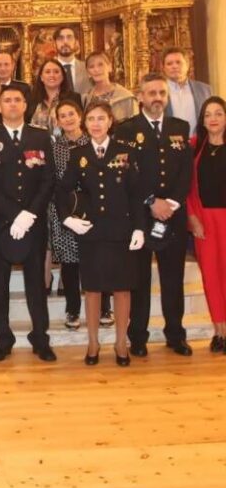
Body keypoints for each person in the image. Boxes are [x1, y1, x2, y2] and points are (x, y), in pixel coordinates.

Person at [58, 101, 145, 366]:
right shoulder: (78, 154)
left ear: (110, 122)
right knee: (93, 288)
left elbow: (135, 193)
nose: (96, 124)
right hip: (91, 231)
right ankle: (93, 342)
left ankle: (120, 342)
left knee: (121, 288)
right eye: (91, 119)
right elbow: (61, 190)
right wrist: (67, 219)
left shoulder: (126, 152)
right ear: (85, 124)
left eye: (101, 119)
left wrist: (140, 226)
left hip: (120, 230)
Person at [0, 84, 57, 362]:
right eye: (6, 100)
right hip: (0, 223)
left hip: (34, 223)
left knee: (37, 284)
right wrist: (14, 214)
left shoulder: (41, 136)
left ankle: (40, 337)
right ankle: (2, 338)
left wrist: (30, 214)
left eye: (17, 100)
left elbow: (49, 180)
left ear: (26, 105)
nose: (12, 104)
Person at [115, 73, 193, 357]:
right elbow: (124, 172)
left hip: (172, 215)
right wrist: (151, 201)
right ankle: (138, 337)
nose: (157, 97)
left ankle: (175, 334)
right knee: (139, 279)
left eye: (161, 92)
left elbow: (186, 171)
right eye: (151, 93)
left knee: (173, 277)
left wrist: (170, 202)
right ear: (140, 97)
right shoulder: (125, 130)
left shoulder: (180, 127)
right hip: (140, 217)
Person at [186, 97, 226, 351]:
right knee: (211, 277)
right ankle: (219, 331)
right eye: (208, 114)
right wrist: (192, 218)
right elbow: (187, 188)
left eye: (219, 113)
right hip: (204, 221)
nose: (213, 118)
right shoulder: (194, 147)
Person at [49, 99, 90, 330]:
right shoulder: (55, 147)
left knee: (95, 261)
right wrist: (64, 213)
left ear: (80, 115)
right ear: (57, 121)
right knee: (70, 264)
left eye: (71, 114)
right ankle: (72, 310)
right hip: (64, 211)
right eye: (62, 116)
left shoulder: (92, 141)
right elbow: (53, 182)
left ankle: (104, 306)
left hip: (93, 210)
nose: (68, 119)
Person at [163, 47, 212, 136]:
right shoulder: (158, 92)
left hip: (199, 144)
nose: (174, 66)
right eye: (169, 64)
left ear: (187, 65)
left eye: (178, 62)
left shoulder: (204, 90)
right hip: (169, 145)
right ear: (164, 68)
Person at [29, 59, 80, 135]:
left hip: (66, 145)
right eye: (47, 72)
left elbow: (79, 124)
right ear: (41, 77)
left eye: (56, 72)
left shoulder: (73, 98)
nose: (52, 75)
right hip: (37, 145)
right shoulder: (31, 98)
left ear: (62, 77)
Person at [83, 50, 138, 121]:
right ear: (88, 73)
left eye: (100, 65)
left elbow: (136, 126)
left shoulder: (126, 97)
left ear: (110, 67)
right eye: (91, 66)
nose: (96, 69)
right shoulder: (85, 99)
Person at [53, 25, 90, 97]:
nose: (65, 42)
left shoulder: (87, 68)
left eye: (69, 37)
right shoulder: (47, 71)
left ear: (76, 42)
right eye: (60, 38)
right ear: (54, 44)